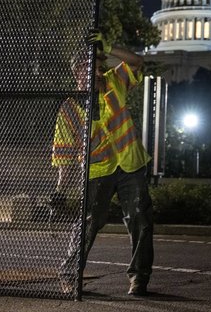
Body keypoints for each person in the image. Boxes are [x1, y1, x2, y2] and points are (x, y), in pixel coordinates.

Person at [53, 29, 154, 296]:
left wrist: (107, 48)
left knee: (141, 221)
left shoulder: (114, 82)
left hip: (130, 165)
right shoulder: (69, 108)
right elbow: (64, 154)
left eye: (101, 68)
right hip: (97, 171)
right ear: (77, 73)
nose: (99, 73)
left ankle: (139, 279)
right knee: (88, 223)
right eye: (92, 69)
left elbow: (137, 61)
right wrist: (60, 192)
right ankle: (69, 275)